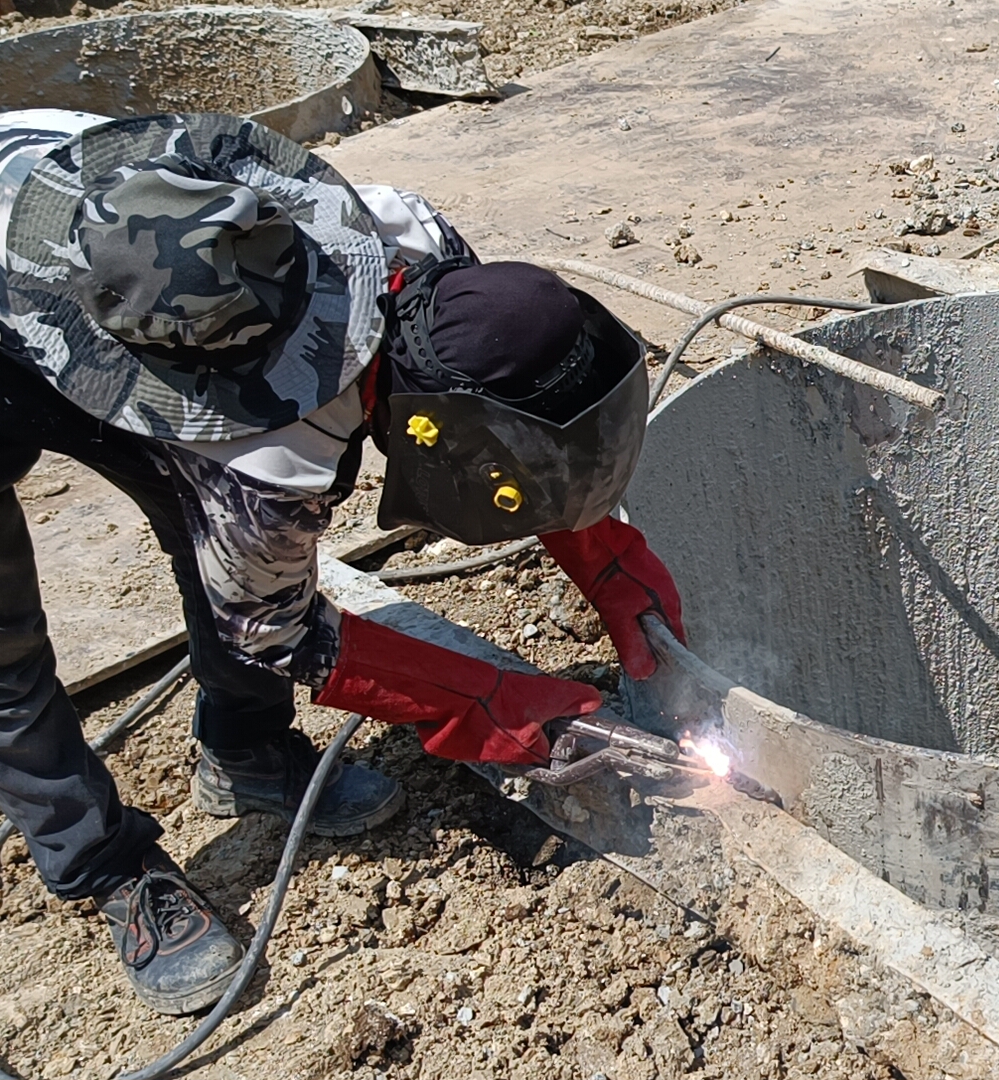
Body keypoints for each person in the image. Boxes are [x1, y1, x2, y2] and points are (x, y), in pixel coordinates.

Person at [0, 112, 682, 1014]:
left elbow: (504, 385)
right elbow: (278, 626)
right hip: (31, 326)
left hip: (107, 274)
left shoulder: (409, 243)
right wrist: (480, 702)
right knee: (8, 653)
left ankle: (242, 753)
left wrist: (604, 553)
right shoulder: (268, 461)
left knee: (203, 527)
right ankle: (105, 866)